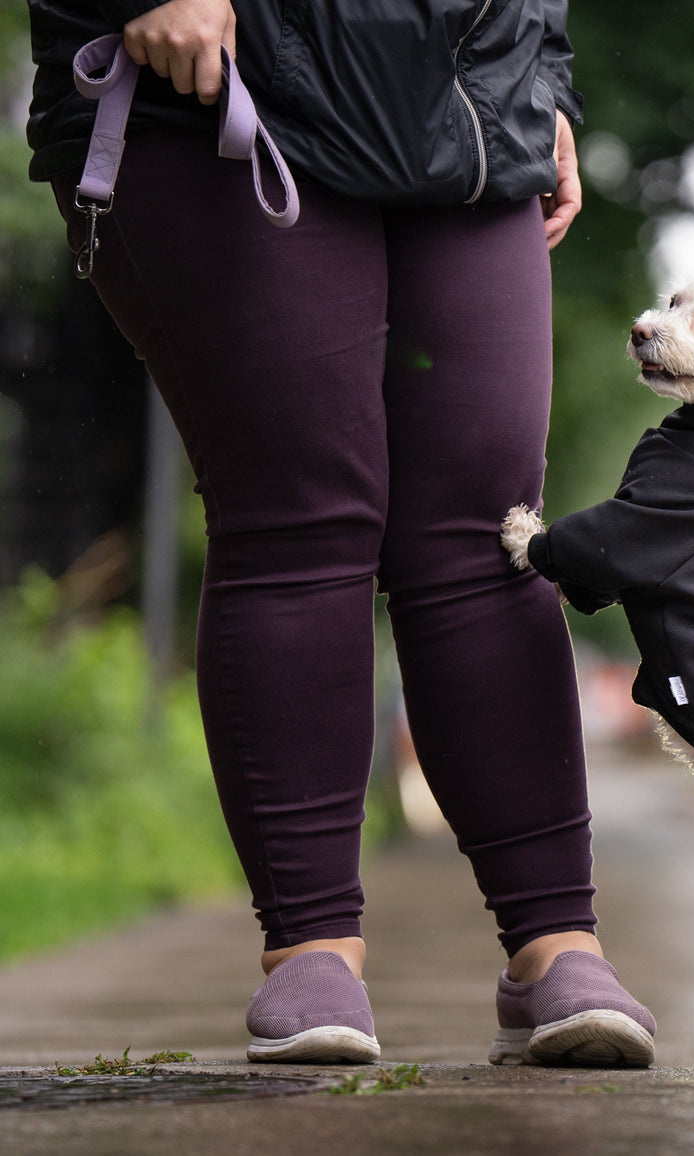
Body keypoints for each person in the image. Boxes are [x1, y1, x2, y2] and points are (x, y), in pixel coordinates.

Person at [24, 0, 656, 1068]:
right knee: (299, 514)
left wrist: (538, 70)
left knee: (487, 533)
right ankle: (311, 946)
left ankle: (555, 944)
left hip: (468, 98)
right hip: (222, 81)